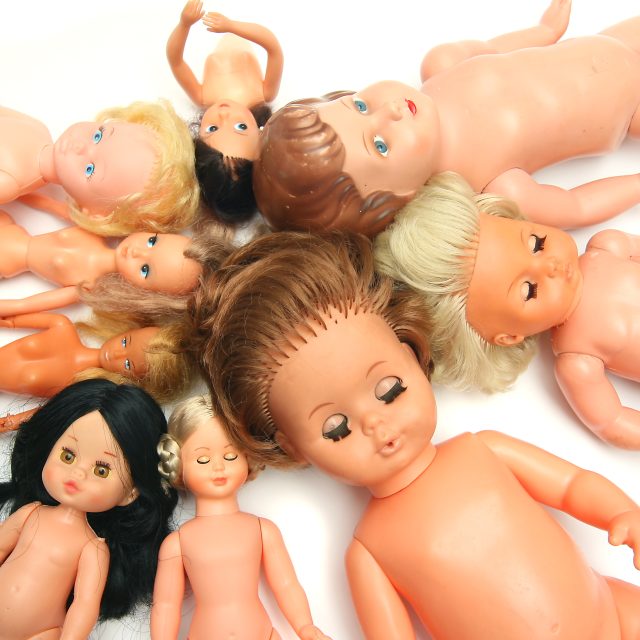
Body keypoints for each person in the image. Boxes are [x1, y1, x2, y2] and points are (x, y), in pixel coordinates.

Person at [189, 230, 640, 639]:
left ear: (411, 355)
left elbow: (571, 485)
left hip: (613, 611)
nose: (375, 424)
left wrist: (621, 513)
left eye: (389, 390)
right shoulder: (369, 551)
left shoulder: (483, 450)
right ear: (291, 445)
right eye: (336, 428)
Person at [253, 0, 640, 236]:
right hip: (627, 109)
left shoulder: (440, 65)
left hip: (610, 40)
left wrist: (544, 31)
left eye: (360, 106)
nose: (391, 111)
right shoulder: (492, 183)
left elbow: (494, 49)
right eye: (381, 145)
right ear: (399, 200)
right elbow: (576, 207)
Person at [376, 172, 640, 449]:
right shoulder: (577, 362)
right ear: (510, 336)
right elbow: (611, 422)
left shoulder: (608, 246)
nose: (550, 265)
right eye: (529, 290)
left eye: (537, 243)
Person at [0, 379, 178, 639]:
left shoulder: (92, 548)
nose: (78, 473)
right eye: (68, 456)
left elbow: (85, 605)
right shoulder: (30, 514)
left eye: (101, 470)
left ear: (130, 494)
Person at [152, 395, 332, 640]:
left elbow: (287, 585)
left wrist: (305, 627)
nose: (218, 467)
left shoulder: (262, 530)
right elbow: (165, 605)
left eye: (230, 456)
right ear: (178, 465)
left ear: (247, 458)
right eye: (203, 459)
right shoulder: (177, 543)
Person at [0, 100, 200, 236]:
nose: (79, 146)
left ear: (94, 214)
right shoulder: (38, 128)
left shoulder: (9, 182)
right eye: (98, 135)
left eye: (89, 169)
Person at [167, 0, 283, 223]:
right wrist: (233, 26)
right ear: (260, 134)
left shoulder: (202, 96)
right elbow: (273, 48)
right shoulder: (264, 92)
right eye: (241, 127)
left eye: (212, 129)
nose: (223, 115)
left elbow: (176, 61)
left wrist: (184, 24)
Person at [0, 313, 194, 431]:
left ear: (136, 380)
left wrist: (13, 421)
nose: (116, 354)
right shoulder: (61, 325)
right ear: (128, 330)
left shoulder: (78, 386)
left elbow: (47, 411)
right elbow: (10, 320)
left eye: (128, 364)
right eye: (125, 342)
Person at [0, 209, 202, 317]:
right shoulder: (96, 230)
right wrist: (23, 189)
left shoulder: (87, 285)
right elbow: (50, 204)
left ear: (143, 293)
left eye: (144, 269)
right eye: (152, 241)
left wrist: (9, 309)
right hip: (8, 225)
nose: (136, 252)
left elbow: (26, 304)